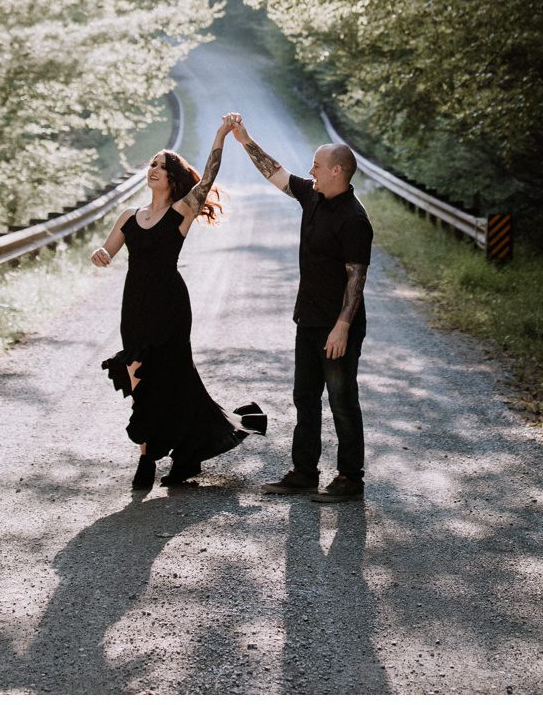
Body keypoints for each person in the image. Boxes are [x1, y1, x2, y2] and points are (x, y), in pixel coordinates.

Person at [91, 117, 264, 492]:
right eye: (152, 164)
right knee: (138, 376)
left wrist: (220, 135)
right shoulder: (129, 217)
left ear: (172, 178)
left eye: (162, 166)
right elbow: (108, 248)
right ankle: (180, 452)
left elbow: (209, 178)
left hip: (170, 305)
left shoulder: (181, 213)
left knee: (169, 377)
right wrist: (101, 254)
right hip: (135, 306)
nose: (154, 169)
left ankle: (146, 459)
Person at [227, 113, 372, 504]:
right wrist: (245, 139)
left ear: (337, 171)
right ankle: (305, 472)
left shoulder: (355, 219)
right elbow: (276, 173)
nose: (311, 170)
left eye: (317, 166)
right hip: (307, 320)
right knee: (304, 398)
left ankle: (350, 479)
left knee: (343, 402)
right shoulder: (314, 195)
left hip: (336, 327)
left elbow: (356, 278)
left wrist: (342, 326)